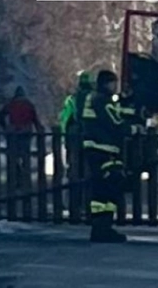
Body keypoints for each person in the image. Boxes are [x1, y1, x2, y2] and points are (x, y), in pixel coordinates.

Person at [81, 70, 134, 243]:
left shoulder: (96, 99)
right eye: (112, 83)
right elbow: (114, 122)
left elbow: (116, 112)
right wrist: (132, 129)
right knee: (110, 186)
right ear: (105, 83)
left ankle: (101, 227)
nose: (115, 86)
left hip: (97, 149)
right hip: (103, 150)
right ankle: (103, 227)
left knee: (102, 189)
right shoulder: (101, 100)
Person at [0, 86, 44, 187]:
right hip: (26, 132)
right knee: (25, 157)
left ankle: (14, 179)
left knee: (13, 157)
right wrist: (39, 129)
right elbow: (35, 119)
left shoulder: (11, 104)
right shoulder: (29, 105)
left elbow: (1, 115)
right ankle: (25, 179)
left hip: (13, 133)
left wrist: (5, 127)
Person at [59, 71, 95, 170]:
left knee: (75, 159)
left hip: (76, 131)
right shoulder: (96, 98)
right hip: (92, 134)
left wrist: (63, 133)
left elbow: (65, 117)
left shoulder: (72, 99)